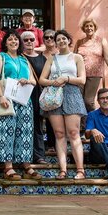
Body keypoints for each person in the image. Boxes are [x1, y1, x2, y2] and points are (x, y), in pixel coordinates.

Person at [0, 30, 41, 180]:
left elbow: (34, 81)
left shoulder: (24, 58)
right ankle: (8, 167)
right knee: (7, 131)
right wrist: (1, 97)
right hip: (7, 98)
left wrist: (27, 81)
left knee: (25, 132)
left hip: (24, 100)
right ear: (5, 43)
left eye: (16, 39)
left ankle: (26, 165)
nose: (14, 42)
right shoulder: (1, 56)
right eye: (10, 39)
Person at [39, 30, 87, 180]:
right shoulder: (52, 58)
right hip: (55, 96)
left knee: (73, 133)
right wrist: (54, 82)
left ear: (69, 40)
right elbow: (42, 80)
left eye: (63, 38)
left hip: (72, 94)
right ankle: (63, 170)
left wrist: (66, 78)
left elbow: (82, 80)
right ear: (55, 43)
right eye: (58, 39)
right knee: (59, 134)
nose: (61, 41)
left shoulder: (77, 57)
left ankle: (80, 170)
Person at [74, 18, 108, 114]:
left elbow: (107, 58)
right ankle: (83, 122)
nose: (89, 28)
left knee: (88, 101)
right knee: (78, 100)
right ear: (84, 28)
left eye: (91, 26)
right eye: (86, 26)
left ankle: (95, 119)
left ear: (95, 28)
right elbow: (73, 58)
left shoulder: (101, 41)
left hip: (94, 75)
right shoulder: (79, 42)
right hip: (80, 75)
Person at [21, 31, 47, 164]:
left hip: (38, 95)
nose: (29, 42)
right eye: (25, 40)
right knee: (23, 126)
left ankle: (39, 155)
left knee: (38, 126)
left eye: (31, 39)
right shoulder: (19, 57)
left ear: (36, 41)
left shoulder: (43, 59)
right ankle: (23, 155)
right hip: (22, 95)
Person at [41, 28, 57, 150]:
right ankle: (49, 144)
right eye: (46, 37)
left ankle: (56, 143)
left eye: (52, 37)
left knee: (56, 116)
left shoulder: (60, 54)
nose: (49, 39)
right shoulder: (40, 56)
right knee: (46, 116)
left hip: (58, 89)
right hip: (43, 88)